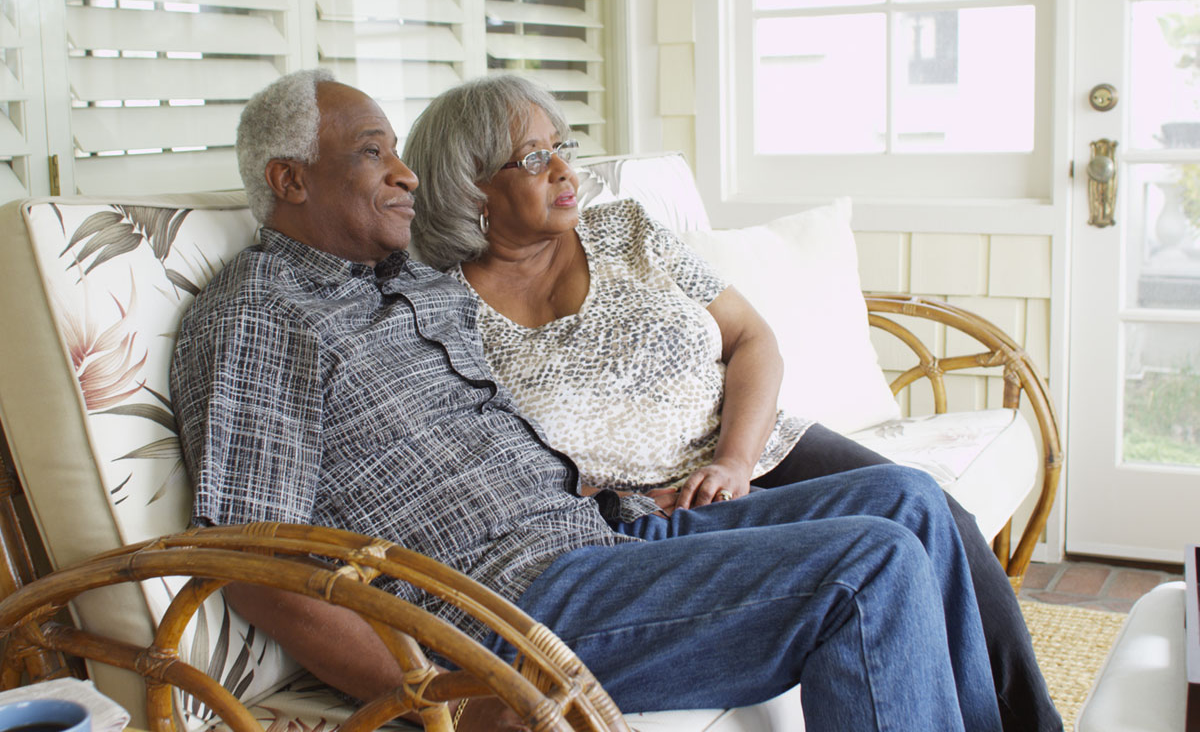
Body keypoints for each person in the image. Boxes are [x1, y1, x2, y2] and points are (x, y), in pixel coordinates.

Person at [170, 68, 1004, 732]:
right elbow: (255, 566)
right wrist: (445, 695)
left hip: (607, 531)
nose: (404, 172)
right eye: (370, 152)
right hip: (508, 603)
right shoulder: (259, 314)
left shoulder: (401, 284)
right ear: (290, 179)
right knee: (869, 565)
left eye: (400, 150)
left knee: (911, 502)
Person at [403, 73, 1063, 732]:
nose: (565, 170)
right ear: (472, 186)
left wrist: (735, 460)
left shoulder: (624, 230)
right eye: (535, 157)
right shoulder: (443, 316)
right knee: (875, 560)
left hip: (755, 449)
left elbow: (752, 338)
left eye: (563, 146)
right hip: (651, 507)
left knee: (924, 505)